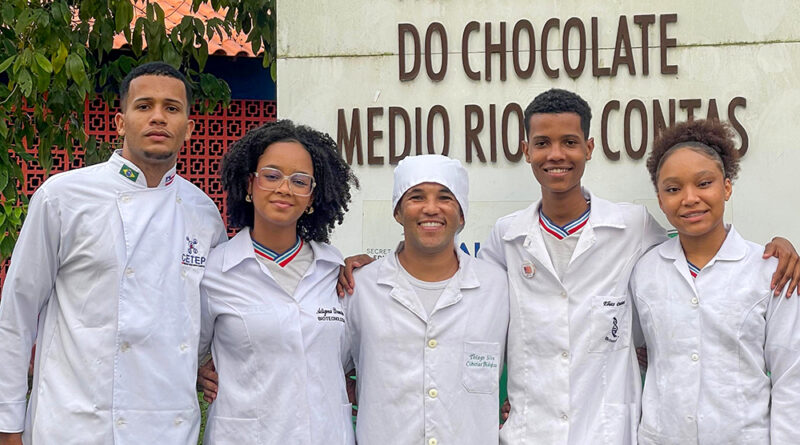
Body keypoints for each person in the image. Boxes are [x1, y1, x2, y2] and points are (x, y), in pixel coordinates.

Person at [475, 89, 800, 445]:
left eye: (569, 142)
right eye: (542, 143)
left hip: (609, 433)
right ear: (526, 151)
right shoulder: (507, 236)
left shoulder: (635, 228)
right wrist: (493, 402)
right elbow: (479, 318)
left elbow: (789, 376)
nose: (556, 154)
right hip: (533, 431)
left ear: (589, 148)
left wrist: (779, 247)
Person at [0, 62, 227, 444]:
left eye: (172, 108)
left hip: (168, 425)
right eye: (144, 106)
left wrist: (211, 363)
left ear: (189, 128)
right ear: (120, 122)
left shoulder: (203, 213)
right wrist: (7, 422)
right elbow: (16, 313)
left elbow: (208, 315)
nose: (158, 117)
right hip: (73, 424)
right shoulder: (63, 197)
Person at [629, 119, 800, 444]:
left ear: (727, 187)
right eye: (673, 189)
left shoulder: (770, 273)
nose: (690, 198)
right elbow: (631, 346)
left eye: (704, 183)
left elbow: (792, 377)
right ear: (660, 199)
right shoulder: (645, 271)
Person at [197, 120, 358, 444]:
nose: (284, 189)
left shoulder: (334, 270)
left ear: (311, 197)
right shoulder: (213, 272)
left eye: (299, 181)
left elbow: (346, 359)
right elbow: (184, 351)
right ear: (249, 184)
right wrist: (198, 373)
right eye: (271, 176)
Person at [343, 155, 509, 444]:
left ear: (462, 214)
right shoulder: (360, 288)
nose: (431, 208)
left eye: (445, 198)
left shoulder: (498, 288)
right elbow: (324, 367)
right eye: (416, 197)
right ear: (397, 212)